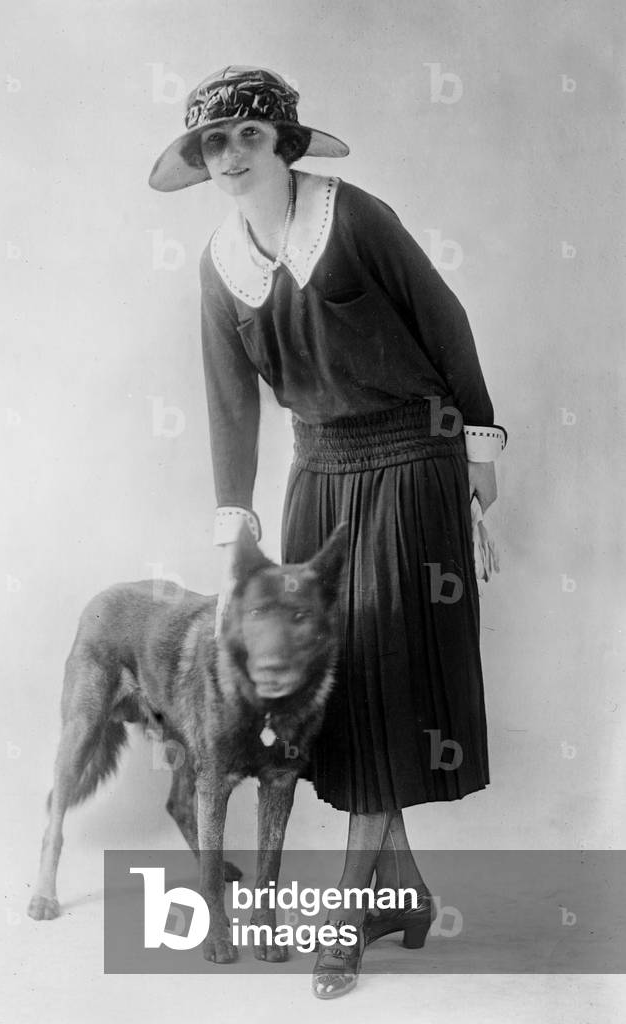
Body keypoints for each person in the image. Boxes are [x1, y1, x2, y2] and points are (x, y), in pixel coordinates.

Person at [149, 65, 506, 999]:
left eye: (246, 138)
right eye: (211, 144)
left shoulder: (356, 218)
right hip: (318, 473)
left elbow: (447, 324)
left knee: (388, 675)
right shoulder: (218, 265)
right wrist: (236, 519)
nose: (229, 157)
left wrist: (475, 446)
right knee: (340, 700)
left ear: (284, 142)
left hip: (410, 460)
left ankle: (345, 921)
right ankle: (406, 898)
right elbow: (230, 404)